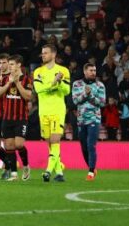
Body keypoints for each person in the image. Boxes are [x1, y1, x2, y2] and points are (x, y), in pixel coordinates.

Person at [32, 44, 72, 182]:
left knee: (55, 140)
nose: (43, 55)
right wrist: (53, 83)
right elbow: (38, 89)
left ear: (53, 55)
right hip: (43, 111)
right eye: (42, 53)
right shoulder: (38, 71)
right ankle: (59, 172)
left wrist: (59, 82)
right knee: (50, 143)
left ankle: (48, 171)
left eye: (46, 53)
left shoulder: (63, 71)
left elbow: (67, 91)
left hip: (57, 110)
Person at [0, 54, 32, 181]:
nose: (9, 67)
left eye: (11, 64)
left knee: (19, 144)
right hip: (7, 118)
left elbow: (28, 97)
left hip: (21, 117)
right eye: (9, 64)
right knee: (9, 146)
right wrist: (9, 83)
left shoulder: (27, 79)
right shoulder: (5, 79)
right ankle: (14, 174)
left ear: (19, 65)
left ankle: (26, 166)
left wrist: (17, 83)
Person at [71, 62, 106, 181]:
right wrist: (84, 93)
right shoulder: (77, 84)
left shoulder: (100, 85)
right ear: (85, 71)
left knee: (91, 145)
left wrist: (90, 95)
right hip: (81, 119)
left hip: (94, 119)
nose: (93, 73)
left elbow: (102, 103)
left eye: (94, 70)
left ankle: (91, 171)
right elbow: (75, 101)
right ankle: (92, 167)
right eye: (91, 70)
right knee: (84, 147)